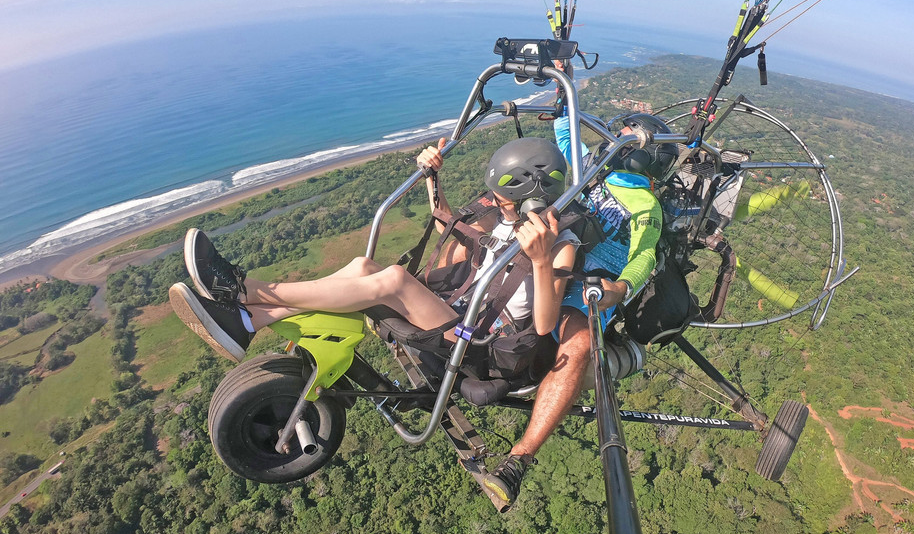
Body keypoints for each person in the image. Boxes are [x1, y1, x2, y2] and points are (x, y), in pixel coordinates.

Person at [169, 139, 579, 379]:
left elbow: (543, 325)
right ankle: (249, 320)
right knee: (363, 267)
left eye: (506, 201)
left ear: (534, 196)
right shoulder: (506, 217)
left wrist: (541, 260)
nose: (498, 205)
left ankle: (245, 291)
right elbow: (450, 232)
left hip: (481, 341)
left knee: (396, 279)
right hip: (455, 309)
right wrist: (432, 179)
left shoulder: (559, 242)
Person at [479, 112, 678, 506]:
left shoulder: (645, 204)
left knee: (580, 342)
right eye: (616, 136)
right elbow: (566, 135)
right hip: (557, 251)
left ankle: (519, 458)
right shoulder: (597, 167)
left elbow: (644, 257)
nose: (614, 142)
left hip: (589, 281)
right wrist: (560, 82)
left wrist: (620, 289)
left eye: (624, 139)